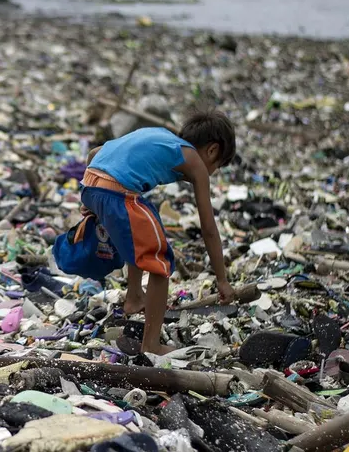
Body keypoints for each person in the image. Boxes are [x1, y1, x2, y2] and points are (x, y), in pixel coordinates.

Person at [53, 110, 237, 355]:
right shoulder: (194, 161)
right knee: (160, 262)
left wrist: (91, 198)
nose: (212, 173)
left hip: (91, 183)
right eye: (218, 166)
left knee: (144, 228)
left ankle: (134, 296)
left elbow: (94, 153)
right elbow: (209, 229)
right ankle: (150, 344)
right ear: (212, 150)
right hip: (118, 192)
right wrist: (222, 279)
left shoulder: (160, 137)